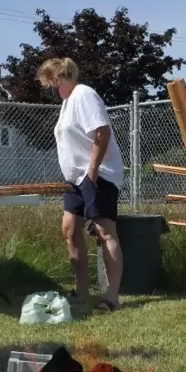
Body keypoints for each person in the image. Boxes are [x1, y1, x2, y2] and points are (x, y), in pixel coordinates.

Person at [37, 57, 123, 312]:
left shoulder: (84, 95)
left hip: (97, 175)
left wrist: (92, 173)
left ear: (56, 79)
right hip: (74, 180)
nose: (48, 91)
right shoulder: (67, 103)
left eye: (47, 85)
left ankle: (111, 297)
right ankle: (81, 291)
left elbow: (101, 132)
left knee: (105, 231)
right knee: (70, 229)